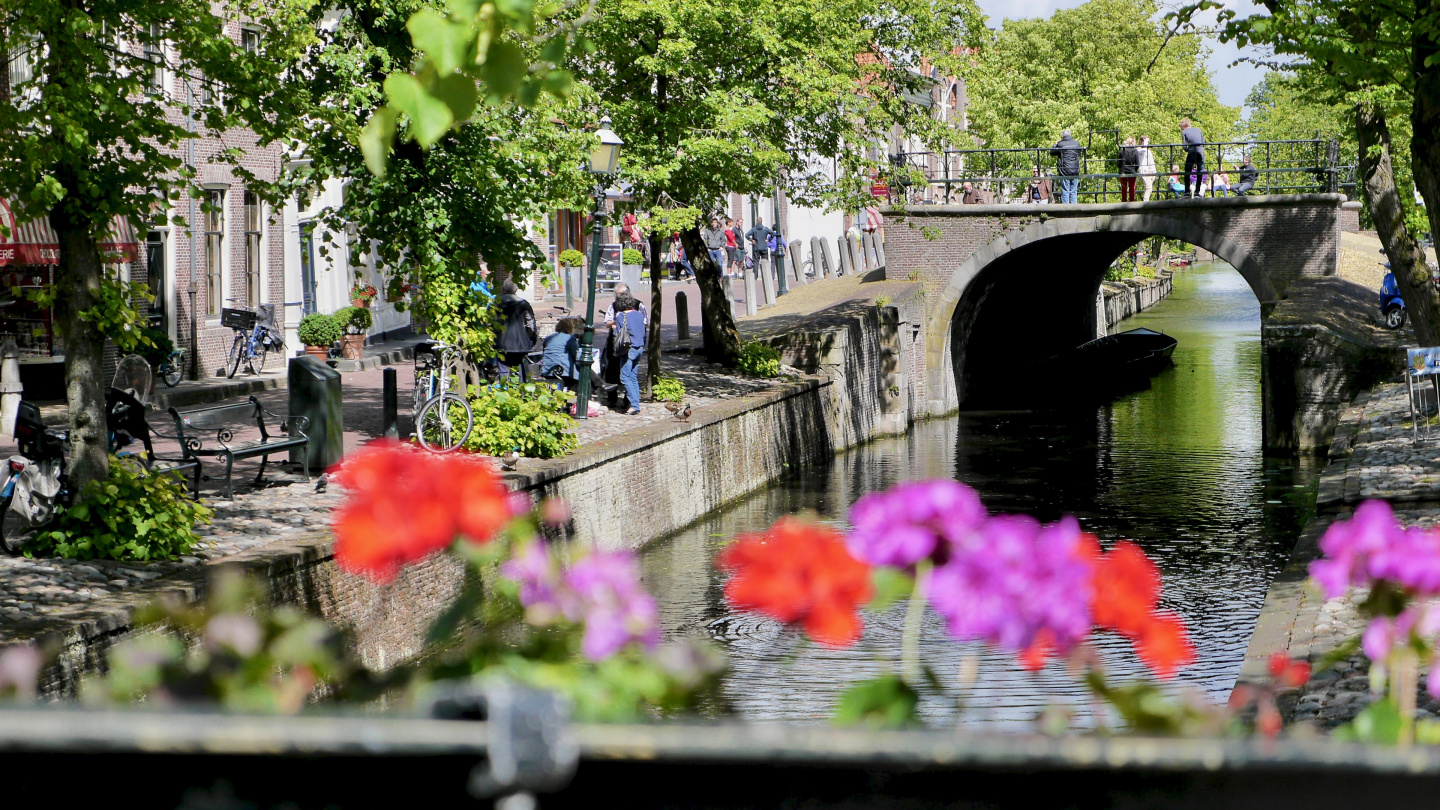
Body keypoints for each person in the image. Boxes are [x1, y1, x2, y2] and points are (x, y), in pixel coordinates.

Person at [609, 287, 647, 415]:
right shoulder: (638, 314)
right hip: (639, 348)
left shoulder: (621, 316)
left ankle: (634, 404)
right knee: (633, 377)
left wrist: (614, 327)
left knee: (625, 377)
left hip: (628, 349)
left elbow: (617, 334)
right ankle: (636, 402)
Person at [495, 278, 537, 381]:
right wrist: (531, 338)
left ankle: (504, 391)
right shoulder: (523, 304)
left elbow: (489, 322)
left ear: (503, 288)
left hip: (501, 343)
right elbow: (531, 324)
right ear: (516, 289)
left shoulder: (496, 303)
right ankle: (521, 391)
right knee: (521, 369)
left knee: (503, 370)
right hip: (521, 344)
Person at [539, 317, 579, 391]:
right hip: (563, 373)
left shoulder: (548, 338)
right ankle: (572, 400)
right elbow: (576, 355)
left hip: (548, 372)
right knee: (577, 377)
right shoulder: (569, 338)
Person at [1050, 129, 1082, 204]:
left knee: (1065, 190)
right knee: (1074, 191)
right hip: (1075, 170)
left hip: (1064, 171)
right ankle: (1074, 208)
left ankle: (1066, 209)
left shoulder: (1061, 144)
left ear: (1062, 136)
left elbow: (1052, 152)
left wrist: (1055, 145)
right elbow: (1079, 152)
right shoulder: (1076, 143)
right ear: (1070, 135)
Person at [1180, 118, 1205, 198]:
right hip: (1201, 152)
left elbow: (1184, 146)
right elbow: (1203, 143)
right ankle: (1197, 192)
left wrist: (1188, 150)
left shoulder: (1184, 132)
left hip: (1192, 152)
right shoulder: (1199, 130)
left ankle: (1187, 192)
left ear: (1184, 126)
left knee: (1187, 171)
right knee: (1200, 171)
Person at [1118, 136, 1140, 202]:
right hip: (1132, 172)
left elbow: (1118, 163)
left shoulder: (1122, 151)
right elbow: (1137, 164)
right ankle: (1132, 202)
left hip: (1123, 172)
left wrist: (1121, 169)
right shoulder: (1135, 151)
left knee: (1124, 188)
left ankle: (1124, 202)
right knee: (1132, 188)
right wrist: (1134, 170)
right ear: (1133, 142)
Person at [1137, 135, 1158, 201]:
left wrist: (1154, 171)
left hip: (1151, 172)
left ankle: (1145, 201)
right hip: (1145, 172)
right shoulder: (1139, 149)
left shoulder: (1148, 150)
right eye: (1146, 141)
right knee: (1149, 188)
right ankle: (1145, 202)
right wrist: (1145, 141)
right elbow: (1144, 150)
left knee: (1147, 188)